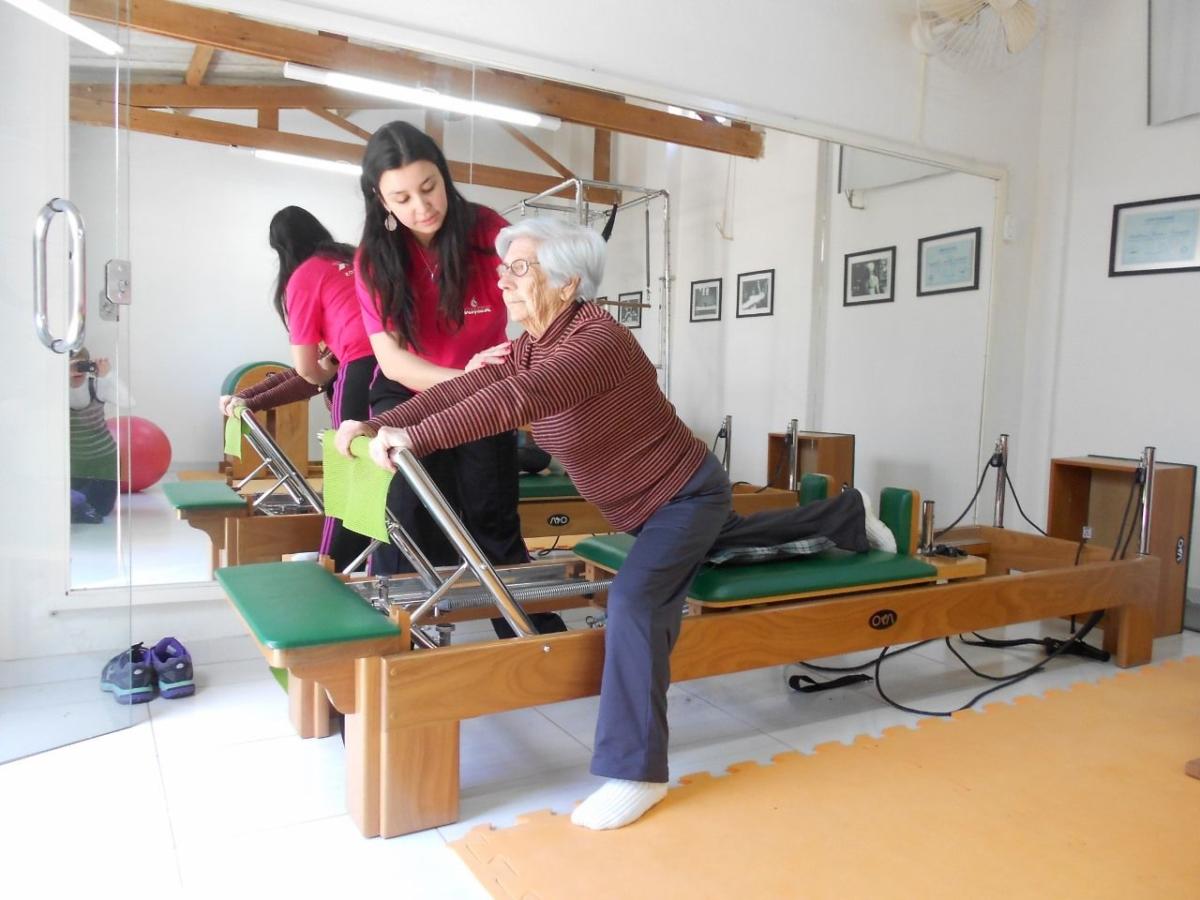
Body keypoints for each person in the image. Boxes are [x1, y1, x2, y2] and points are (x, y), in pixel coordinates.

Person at [337, 217, 896, 830]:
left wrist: (415, 437)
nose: (503, 281)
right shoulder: (532, 345)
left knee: (634, 601)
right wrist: (374, 423)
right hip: (646, 510)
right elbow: (472, 388)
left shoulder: (597, 342)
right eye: (504, 269)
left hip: (685, 495)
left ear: (568, 282)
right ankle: (849, 517)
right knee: (726, 544)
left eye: (519, 268)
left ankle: (636, 773)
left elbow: (514, 401)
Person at [346, 119, 563, 636]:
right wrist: (462, 378)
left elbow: (542, 293)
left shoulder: (488, 233)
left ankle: (528, 638)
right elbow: (392, 361)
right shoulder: (374, 261)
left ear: (444, 176)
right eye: (402, 198)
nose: (422, 207)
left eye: (429, 187)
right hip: (410, 392)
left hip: (486, 392)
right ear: (380, 200)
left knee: (492, 518)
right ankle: (408, 639)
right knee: (408, 521)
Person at [218, 206, 376, 569]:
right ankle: (366, 561)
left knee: (349, 475)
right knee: (377, 473)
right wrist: (249, 398)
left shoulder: (306, 275)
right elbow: (309, 375)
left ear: (282, 250)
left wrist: (251, 399)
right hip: (399, 364)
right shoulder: (354, 261)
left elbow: (309, 375)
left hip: (363, 369)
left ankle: (334, 564)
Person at [69, 347, 124, 524]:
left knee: (101, 511)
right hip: (73, 464)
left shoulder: (97, 386)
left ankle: (79, 505)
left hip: (103, 463)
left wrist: (108, 375)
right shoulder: (55, 391)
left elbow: (129, 403)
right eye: (73, 365)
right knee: (69, 510)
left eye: (82, 365)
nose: (78, 370)